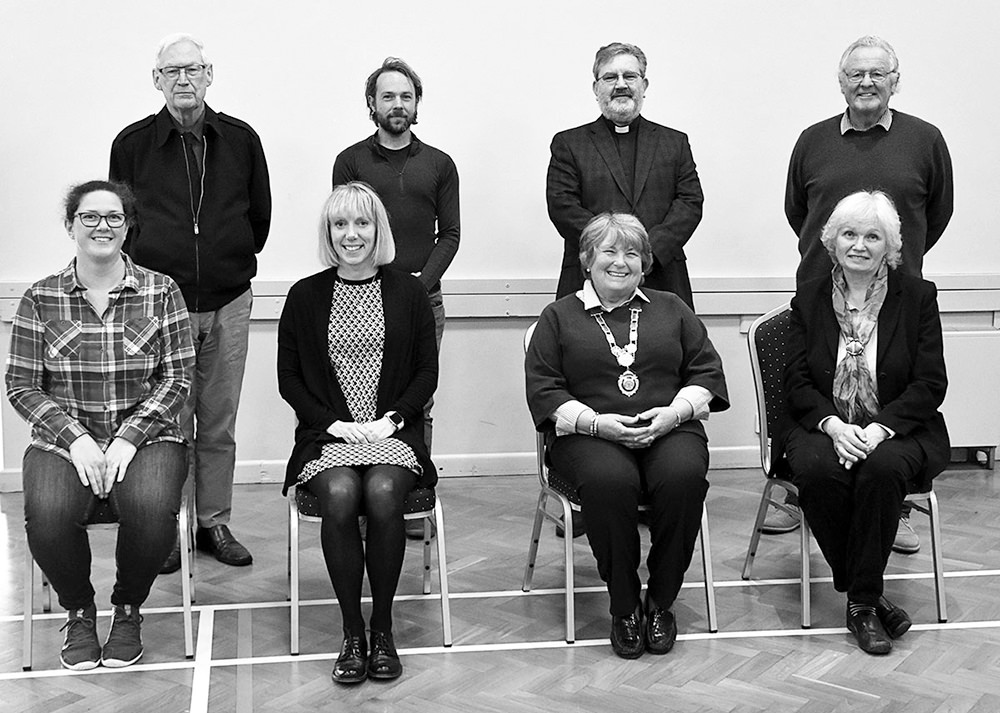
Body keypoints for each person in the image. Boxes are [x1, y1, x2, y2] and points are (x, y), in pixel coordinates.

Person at [770, 35, 954, 553]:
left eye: (878, 73)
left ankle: (893, 504)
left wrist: (891, 259)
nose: (866, 83)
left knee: (889, 390)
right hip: (823, 294)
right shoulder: (812, 140)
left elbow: (936, 213)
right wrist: (842, 256)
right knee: (812, 392)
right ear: (841, 81)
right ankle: (801, 494)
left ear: (896, 80)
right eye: (856, 74)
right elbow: (797, 212)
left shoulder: (926, 140)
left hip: (892, 299)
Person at [5, 181, 195, 670]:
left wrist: (129, 439)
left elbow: (178, 377)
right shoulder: (41, 298)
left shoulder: (162, 291)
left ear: (128, 226)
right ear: (71, 225)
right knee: (45, 516)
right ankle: (80, 610)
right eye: (89, 217)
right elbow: (22, 385)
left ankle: (128, 608)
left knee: (154, 510)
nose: (101, 227)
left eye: (113, 217)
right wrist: (78, 440)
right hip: (63, 445)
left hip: (149, 440)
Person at [525, 212, 728, 659]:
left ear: (645, 262)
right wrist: (598, 423)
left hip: (668, 427)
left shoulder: (672, 308)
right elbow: (544, 388)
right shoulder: (558, 317)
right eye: (609, 251)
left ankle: (660, 601)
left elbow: (707, 372)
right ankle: (623, 605)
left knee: (682, 479)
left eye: (632, 253)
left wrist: (673, 415)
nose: (620, 262)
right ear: (587, 260)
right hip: (589, 434)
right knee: (610, 483)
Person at [110, 33, 272, 571]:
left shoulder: (242, 140)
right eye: (173, 71)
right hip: (161, 307)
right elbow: (122, 226)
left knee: (218, 420)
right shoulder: (132, 145)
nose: (184, 79)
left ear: (209, 75)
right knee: (167, 423)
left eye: (194, 69)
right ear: (156, 80)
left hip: (229, 300)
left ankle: (213, 523)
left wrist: (227, 256)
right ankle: (168, 525)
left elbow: (260, 221)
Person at [775, 191, 950, 655]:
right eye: (849, 234)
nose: (859, 245)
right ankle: (868, 599)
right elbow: (795, 383)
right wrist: (833, 426)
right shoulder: (809, 297)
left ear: (890, 246)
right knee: (817, 470)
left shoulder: (917, 296)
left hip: (896, 427)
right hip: (822, 425)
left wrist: (877, 429)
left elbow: (930, 384)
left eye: (873, 236)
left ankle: (859, 602)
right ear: (832, 242)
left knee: (881, 469)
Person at [277, 182, 438, 684]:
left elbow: (425, 374)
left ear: (378, 229)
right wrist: (335, 424)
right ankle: (352, 633)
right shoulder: (305, 295)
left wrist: (390, 421)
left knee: (385, 491)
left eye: (362, 223)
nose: (352, 234)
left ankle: (383, 628)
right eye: (340, 224)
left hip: (393, 430)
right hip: (328, 436)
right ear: (329, 233)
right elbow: (290, 379)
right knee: (343, 494)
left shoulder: (409, 291)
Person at [333, 57, 459, 539]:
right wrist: (383, 287)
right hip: (358, 298)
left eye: (406, 96)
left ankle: (410, 495)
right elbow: (345, 232)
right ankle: (363, 491)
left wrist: (413, 288)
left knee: (417, 401)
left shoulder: (439, 164)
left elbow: (450, 234)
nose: (398, 104)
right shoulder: (351, 162)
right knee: (360, 402)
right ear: (372, 104)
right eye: (388, 96)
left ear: (416, 103)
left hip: (423, 302)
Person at [546, 42, 703, 309]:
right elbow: (563, 207)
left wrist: (645, 254)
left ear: (644, 85)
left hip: (662, 277)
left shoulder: (674, 142)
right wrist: (613, 252)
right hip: (589, 278)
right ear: (596, 88)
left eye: (630, 76)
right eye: (610, 77)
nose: (621, 84)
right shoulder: (569, 144)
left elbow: (689, 203)